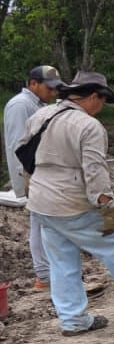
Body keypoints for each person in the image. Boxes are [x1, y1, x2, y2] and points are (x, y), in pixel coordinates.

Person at [18, 72, 114, 336]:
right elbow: (95, 170)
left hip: (42, 201)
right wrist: (105, 205)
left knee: (62, 261)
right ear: (93, 97)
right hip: (71, 202)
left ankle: (73, 320)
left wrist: (32, 187)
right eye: (102, 100)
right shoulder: (88, 126)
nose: (101, 107)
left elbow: (22, 153)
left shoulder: (41, 116)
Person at [4, 65, 63, 290]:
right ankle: (44, 277)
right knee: (39, 224)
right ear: (33, 84)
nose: (53, 93)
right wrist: (25, 180)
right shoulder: (21, 105)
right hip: (32, 175)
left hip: (40, 174)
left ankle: (48, 274)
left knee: (44, 223)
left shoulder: (37, 104)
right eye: (49, 88)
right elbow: (17, 146)